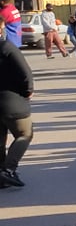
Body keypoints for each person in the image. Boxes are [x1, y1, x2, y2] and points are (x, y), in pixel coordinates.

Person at [0, 15, 33, 188]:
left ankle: (1, 173)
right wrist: (28, 91)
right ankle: (8, 169)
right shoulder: (6, 47)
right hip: (11, 101)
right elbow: (25, 73)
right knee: (24, 133)